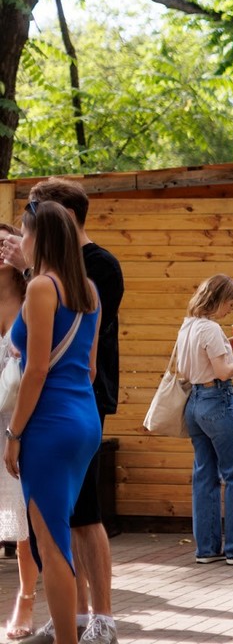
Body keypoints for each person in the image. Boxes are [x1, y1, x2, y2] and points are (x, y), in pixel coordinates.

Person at [2, 178, 124, 644]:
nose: (21, 241)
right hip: (83, 417)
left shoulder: (40, 288)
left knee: (50, 544)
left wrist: (15, 434)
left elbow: (35, 371)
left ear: (40, 237)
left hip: (49, 424)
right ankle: (71, 625)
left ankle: (67, 636)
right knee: (64, 530)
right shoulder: (88, 290)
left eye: (24, 233)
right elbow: (89, 368)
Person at [177, 274, 233, 567]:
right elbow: (223, 372)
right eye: (229, 303)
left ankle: (207, 549)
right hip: (217, 401)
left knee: (205, 476)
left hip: (194, 404)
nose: (230, 309)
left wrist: (227, 345)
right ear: (217, 300)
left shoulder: (189, 325)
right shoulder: (211, 329)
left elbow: (194, 362)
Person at [0, 223, 36, 641]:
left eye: (3, 242)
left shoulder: (33, 302)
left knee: (24, 522)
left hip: (22, 424)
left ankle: (25, 600)